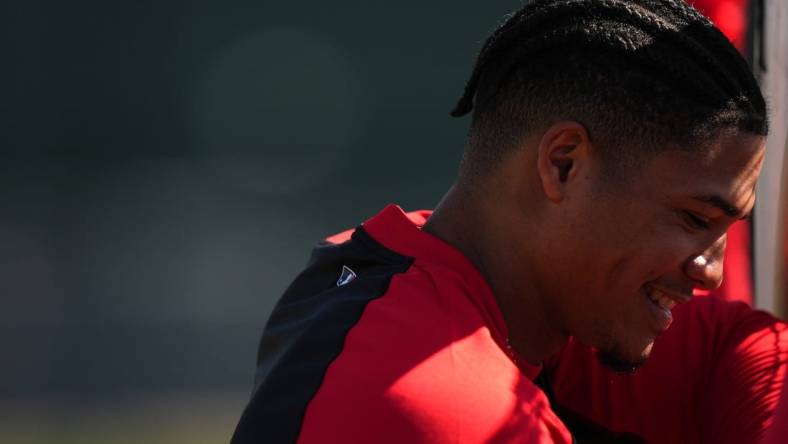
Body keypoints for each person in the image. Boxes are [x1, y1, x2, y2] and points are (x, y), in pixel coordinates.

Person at [231, 0, 788, 442]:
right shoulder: (446, 406)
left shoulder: (417, 274)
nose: (711, 272)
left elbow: (735, 350)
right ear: (563, 165)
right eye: (694, 219)